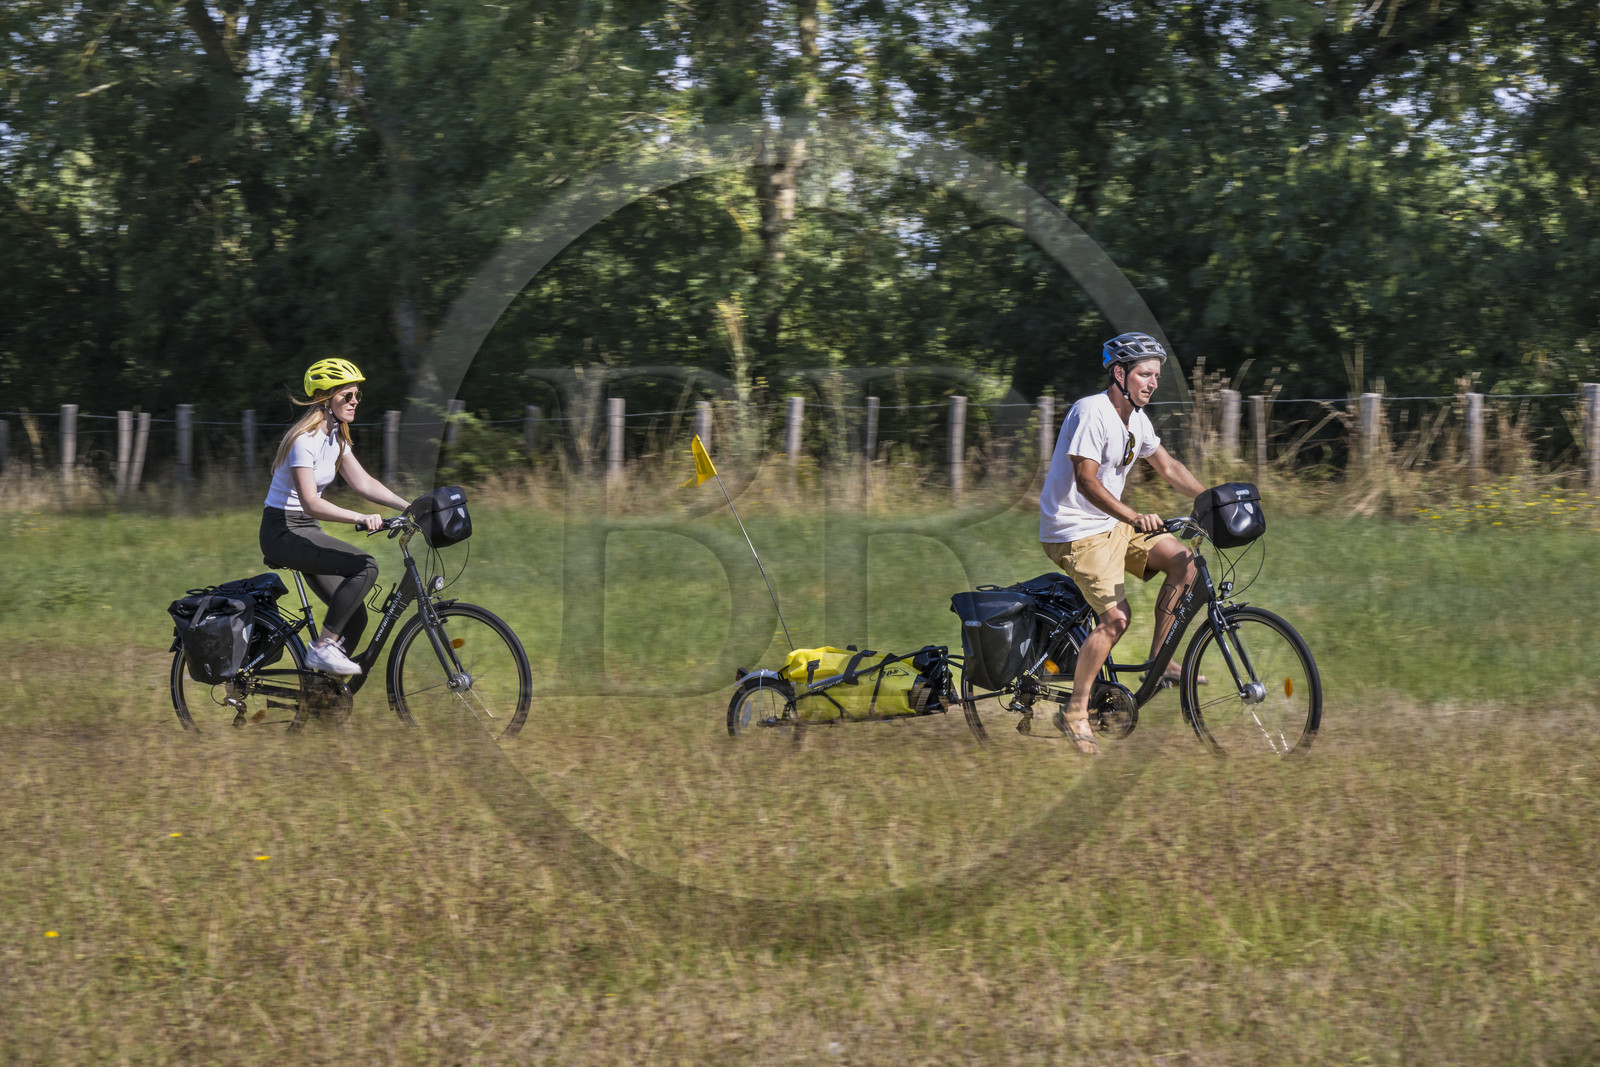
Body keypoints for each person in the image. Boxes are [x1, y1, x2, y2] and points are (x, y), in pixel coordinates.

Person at [1039, 332, 1207, 755]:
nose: (1152, 383)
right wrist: (1133, 516)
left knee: (1185, 562)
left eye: (1156, 376)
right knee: (1116, 618)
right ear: (1119, 373)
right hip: (1074, 530)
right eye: (1144, 375)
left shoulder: (1137, 419)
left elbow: (1168, 466)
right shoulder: (1090, 412)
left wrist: (1211, 499)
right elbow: (1086, 479)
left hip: (1113, 526)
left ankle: (1159, 661)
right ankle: (1075, 712)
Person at [260, 359, 411, 676]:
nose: (355, 401)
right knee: (365, 566)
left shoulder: (337, 438)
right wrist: (360, 517)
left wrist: (409, 507)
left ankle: (322, 693)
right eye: (347, 396)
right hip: (282, 530)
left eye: (357, 395)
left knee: (354, 616)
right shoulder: (305, 440)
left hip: (304, 530)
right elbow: (311, 503)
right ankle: (322, 648)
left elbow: (364, 483)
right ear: (324, 399)